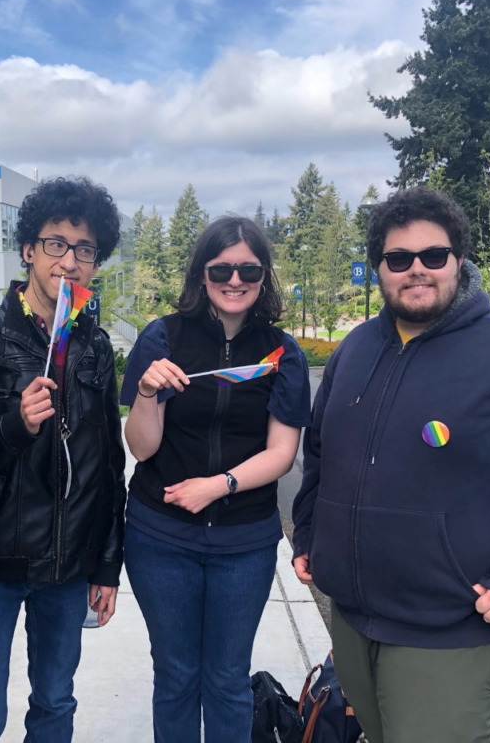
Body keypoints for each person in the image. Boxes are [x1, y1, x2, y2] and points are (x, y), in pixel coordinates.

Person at [292, 186, 490, 743]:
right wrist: (310, 535)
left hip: (449, 627)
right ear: (379, 267)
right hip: (355, 617)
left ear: (458, 260)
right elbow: (322, 454)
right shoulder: (354, 350)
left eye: (434, 256)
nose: (417, 271)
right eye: (398, 259)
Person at [0, 177, 126, 743]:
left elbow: (109, 465)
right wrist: (15, 426)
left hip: (67, 569)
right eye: (56, 244)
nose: (69, 261)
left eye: (85, 249)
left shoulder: (93, 346)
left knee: (54, 706)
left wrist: (106, 564)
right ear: (27, 250)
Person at [120, 216, 311, 743]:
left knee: (227, 680)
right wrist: (146, 392)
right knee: (177, 676)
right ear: (201, 274)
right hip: (160, 537)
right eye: (221, 267)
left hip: (243, 542)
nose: (235, 279)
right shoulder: (163, 336)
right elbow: (141, 447)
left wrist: (218, 485)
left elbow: (281, 453)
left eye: (248, 268)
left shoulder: (281, 353)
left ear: (263, 275)